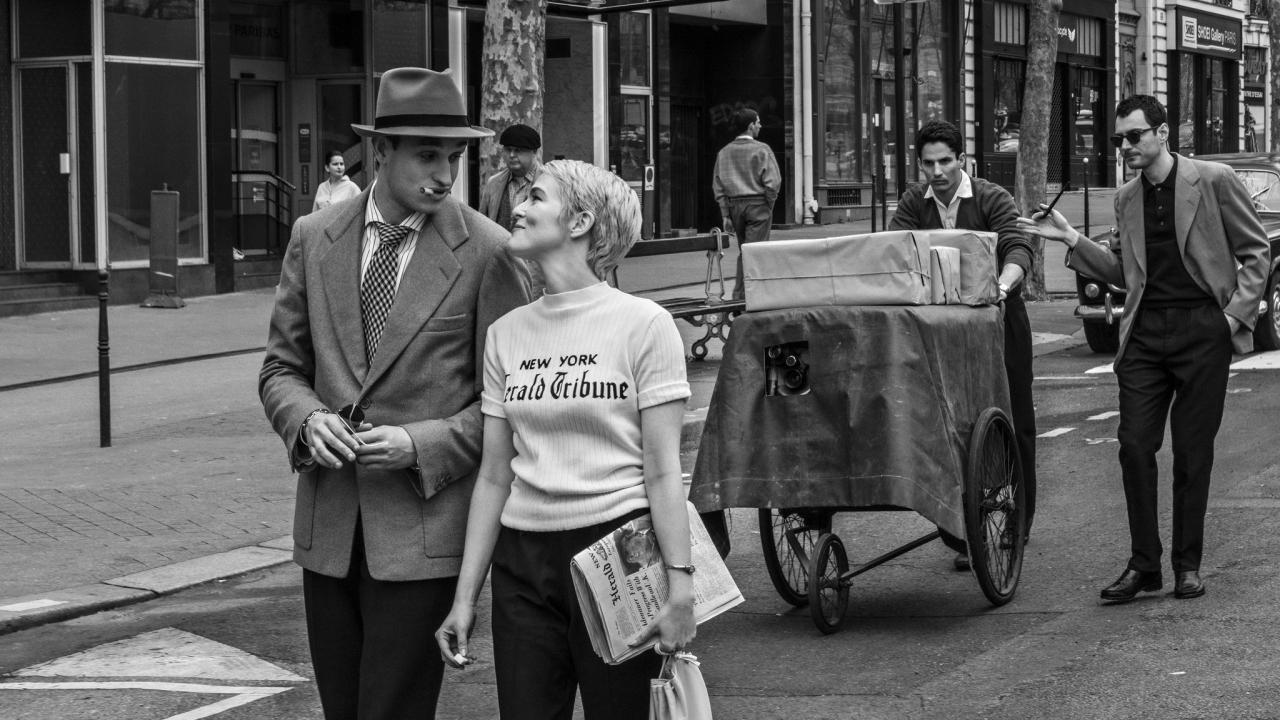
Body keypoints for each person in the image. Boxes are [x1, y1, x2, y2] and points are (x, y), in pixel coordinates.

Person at [258, 67, 530, 719]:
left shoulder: (489, 252)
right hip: (328, 531)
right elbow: (280, 370)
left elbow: (509, 408)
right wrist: (306, 420)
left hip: (422, 538)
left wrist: (420, 444)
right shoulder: (313, 238)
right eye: (427, 155)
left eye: (454, 158)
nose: (444, 175)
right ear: (381, 150)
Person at [435, 159, 696, 720]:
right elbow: (494, 474)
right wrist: (464, 598)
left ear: (580, 221)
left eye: (536, 197)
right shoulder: (506, 333)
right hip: (522, 559)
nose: (518, 207)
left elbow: (662, 471)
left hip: (620, 548)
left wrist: (681, 587)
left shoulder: (645, 324)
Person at [1017, 95, 1269, 603]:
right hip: (1145, 336)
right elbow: (1124, 274)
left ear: (1162, 133)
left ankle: (1187, 566)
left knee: (1193, 453)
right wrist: (1070, 238)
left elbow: (1256, 252)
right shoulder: (1126, 198)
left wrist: (1229, 320)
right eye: (1119, 139)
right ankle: (1144, 565)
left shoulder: (1214, 180)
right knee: (1134, 446)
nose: (1125, 146)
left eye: (1134, 136)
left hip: (1202, 330)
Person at [888, 120, 1037, 570]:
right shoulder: (914, 202)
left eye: (945, 162)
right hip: (939, 332)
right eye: (928, 164)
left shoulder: (992, 198)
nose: (937, 172)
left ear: (962, 160)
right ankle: (962, 528)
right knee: (947, 424)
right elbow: (893, 252)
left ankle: (1017, 520)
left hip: (999, 321)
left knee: (1015, 419)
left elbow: (1017, 247)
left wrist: (1002, 287)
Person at [713, 107, 781, 300]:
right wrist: (768, 204)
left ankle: (746, 295)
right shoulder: (762, 149)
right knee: (754, 253)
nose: (760, 125)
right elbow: (773, 183)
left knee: (746, 250)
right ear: (750, 126)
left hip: (735, 206)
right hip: (758, 204)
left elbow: (719, 186)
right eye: (758, 122)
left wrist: (725, 214)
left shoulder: (724, 153)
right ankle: (743, 297)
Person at [478, 123, 543, 230]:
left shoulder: (549, 181)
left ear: (534, 152)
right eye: (508, 149)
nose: (512, 155)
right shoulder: (493, 183)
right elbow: (482, 224)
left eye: (518, 150)